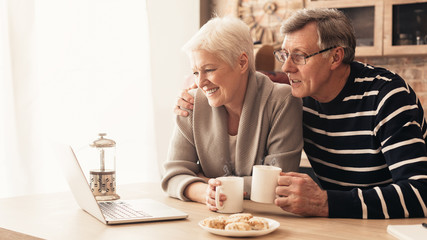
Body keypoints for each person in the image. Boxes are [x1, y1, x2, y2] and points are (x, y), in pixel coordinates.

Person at [174, 8, 427, 219]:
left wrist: (326, 202)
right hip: (337, 226)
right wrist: (200, 85)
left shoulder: (387, 96)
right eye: (284, 54)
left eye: (299, 56)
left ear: (335, 57)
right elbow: (255, 86)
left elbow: (421, 193)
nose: (286, 67)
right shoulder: (300, 98)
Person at [161, 16, 303, 211]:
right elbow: (173, 176)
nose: (201, 82)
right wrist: (207, 193)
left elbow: (278, 183)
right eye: (195, 72)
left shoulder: (282, 101)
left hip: (267, 220)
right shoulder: (191, 103)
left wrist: (206, 180)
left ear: (242, 62)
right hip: (208, 218)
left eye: (209, 70)